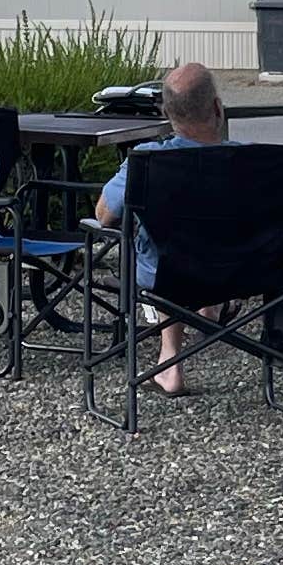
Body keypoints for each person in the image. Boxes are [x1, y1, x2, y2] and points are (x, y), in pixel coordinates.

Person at [93, 60, 226, 393]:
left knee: (167, 250)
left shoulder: (148, 161)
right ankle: (210, 307)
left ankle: (170, 366)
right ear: (217, 108)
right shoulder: (257, 163)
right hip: (242, 271)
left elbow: (104, 216)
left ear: (167, 113)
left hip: (167, 273)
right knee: (195, 244)